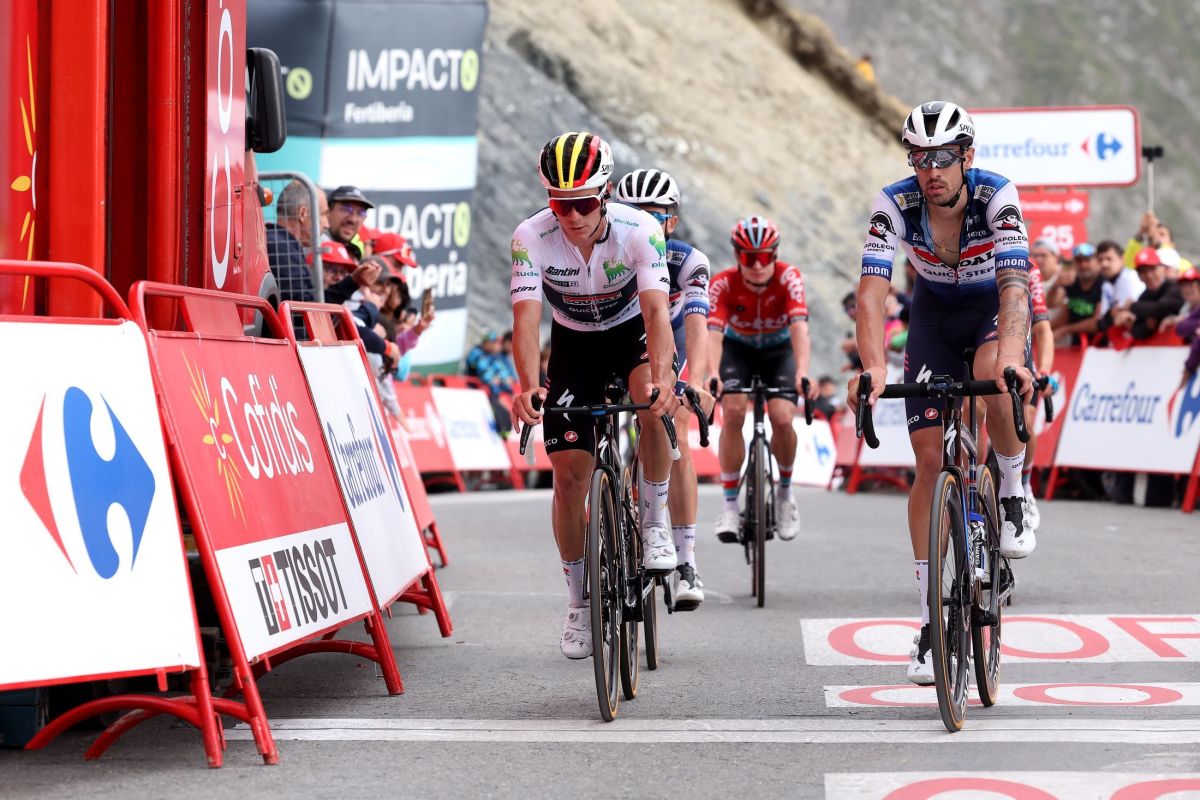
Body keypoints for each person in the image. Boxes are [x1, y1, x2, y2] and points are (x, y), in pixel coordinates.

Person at [851, 100, 1034, 686]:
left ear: (966, 156)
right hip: (932, 316)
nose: (931, 170)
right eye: (920, 158)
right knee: (929, 462)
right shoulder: (895, 203)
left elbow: (1015, 286)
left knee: (995, 377)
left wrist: (1012, 358)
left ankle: (1013, 490)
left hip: (990, 310)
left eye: (944, 158)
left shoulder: (997, 195)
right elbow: (872, 290)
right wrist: (873, 367)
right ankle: (932, 623)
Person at [509, 131, 680, 660]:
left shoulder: (640, 229)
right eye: (560, 204)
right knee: (567, 479)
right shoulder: (531, 236)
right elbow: (526, 320)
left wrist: (664, 378)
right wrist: (527, 385)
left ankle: (654, 522)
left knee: (650, 402)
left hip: (630, 334)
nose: (572, 216)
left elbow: (657, 312)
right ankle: (579, 603)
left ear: (605, 195)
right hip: (574, 344)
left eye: (583, 203)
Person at [614, 167, 714, 610]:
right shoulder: (610, 256)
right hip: (617, 342)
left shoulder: (688, 262)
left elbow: (696, 326)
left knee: (676, 436)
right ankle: (611, 519)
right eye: (633, 214)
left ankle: (686, 560)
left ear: (671, 221)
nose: (643, 224)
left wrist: (699, 381)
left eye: (653, 216)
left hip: (667, 343)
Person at [708, 215, 816, 544]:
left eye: (765, 257)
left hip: (778, 351)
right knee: (733, 413)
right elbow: (713, 334)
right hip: (737, 351)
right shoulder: (723, 283)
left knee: (782, 418)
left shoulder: (789, 277)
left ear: (775, 254)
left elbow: (799, 329)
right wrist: (711, 373)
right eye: (749, 257)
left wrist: (802, 371)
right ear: (737, 256)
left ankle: (784, 495)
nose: (757, 265)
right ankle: (730, 507)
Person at [1104, 248, 1184, 340]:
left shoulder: (1175, 286)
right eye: (1143, 272)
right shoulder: (1145, 295)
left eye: (1152, 269)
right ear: (1139, 276)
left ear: (1162, 269)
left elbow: (1162, 307)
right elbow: (1136, 330)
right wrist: (1146, 326)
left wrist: (1132, 306)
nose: (1149, 276)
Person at [265, 180, 320, 302]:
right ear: (302, 213)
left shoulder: (280, 242)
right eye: (321, 214)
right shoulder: (281, 246)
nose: (326, 224)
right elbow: (301, 305)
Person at [1051, 242, 1103, 345]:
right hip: (1077, 346)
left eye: (1087, 260)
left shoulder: (1103, 284)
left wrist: (1066, 330)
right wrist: (1056, 286)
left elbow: (1097, 322)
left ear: (1097, 262)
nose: (1083, 265)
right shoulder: (1073, 283)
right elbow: (1057, 309)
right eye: (1079, 261)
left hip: (1101, 347)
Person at [1098, 238, 1144, 319]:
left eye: (1109, 259)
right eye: (1100, 260)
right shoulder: (1106, 285)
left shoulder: (1132, 278)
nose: (1104, 264)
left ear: (1122, 259)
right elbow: (1103, 317)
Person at [326, 185, 373, 260]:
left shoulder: (352, 253)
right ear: (328, 211)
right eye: (346, 209)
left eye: (360, 213)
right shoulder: (317, 245)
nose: (353, 219)